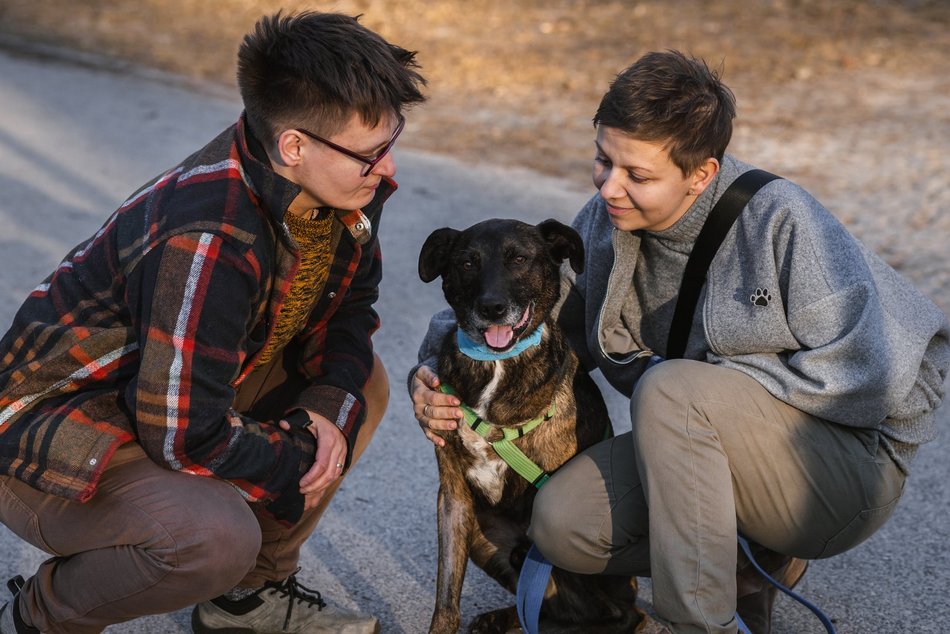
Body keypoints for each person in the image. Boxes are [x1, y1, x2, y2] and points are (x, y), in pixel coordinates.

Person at [410, 50, 949, 633]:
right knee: (562, 523)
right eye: (602, 160)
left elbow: (871, 377)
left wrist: (718, 389)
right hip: (712, 443)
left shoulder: (782, 220)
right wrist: (435, 365)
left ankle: (701, 621)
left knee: (671, 389)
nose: (610, 188)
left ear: (702, 174)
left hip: (846, 469)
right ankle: (745, 562)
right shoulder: (608, 217)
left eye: (637, 175)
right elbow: (542, 317)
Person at [0, 11, 425, 634]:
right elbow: (183, 433)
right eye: (370, 155)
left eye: (390, 144)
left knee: (361, 384)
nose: (387, 169)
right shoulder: (210, 239)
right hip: (58, 433)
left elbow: (350, 311)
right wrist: (300, 456)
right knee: (214, 538)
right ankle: (38, 617)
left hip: (160, 395)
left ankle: (248, 602)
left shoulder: (336, 192)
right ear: (295, 146)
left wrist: (331, 408)